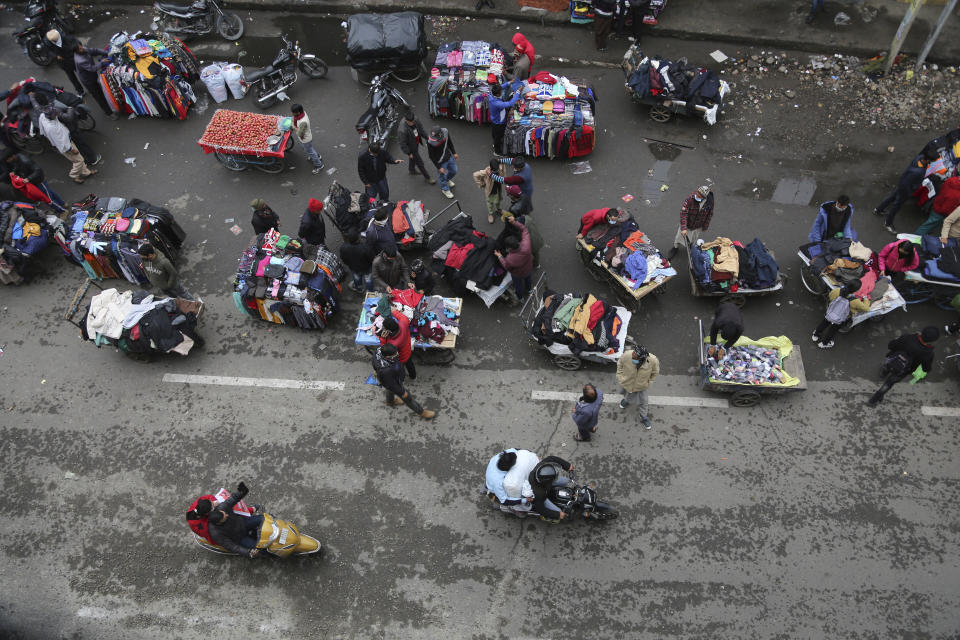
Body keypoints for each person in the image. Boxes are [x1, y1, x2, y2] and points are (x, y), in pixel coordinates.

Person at [867, 327, 939, 406]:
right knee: (888, 384)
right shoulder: (928, 353)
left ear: (922, 332)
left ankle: (883, 373)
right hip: (903, 370)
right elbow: (926, 368)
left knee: (887, 367)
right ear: (932, 341)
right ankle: (873, 400)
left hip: (892, 359)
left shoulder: (909, 337)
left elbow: (891, 345)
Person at [36, 103, 95, 184]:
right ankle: (74, 175)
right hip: (66, 146)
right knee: (79, 160)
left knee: (78, 158)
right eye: (54, 114)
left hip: (67, 140)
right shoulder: (51, 128)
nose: (56, 115)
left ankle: (86, 172)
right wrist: (71, 149)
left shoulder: (43, 116)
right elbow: (59, 142)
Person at [372, 344, 435, 419]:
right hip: (393, 381)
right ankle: (421, 412)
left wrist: (376, 370)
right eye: (395, 354)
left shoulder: (378, 351)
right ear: (387, 357)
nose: (397, 354)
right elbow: (392, 385)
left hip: (387, 380)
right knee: (408, 398)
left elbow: (373, 361)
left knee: (389, 390)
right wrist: (402, 392)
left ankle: (390, 402)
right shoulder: (386, 371)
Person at [207, 482, 264, 558]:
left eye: (225, 513)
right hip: (240, 538)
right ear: (219, 523)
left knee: (263, 518)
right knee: (261, 549)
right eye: (225, 517)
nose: (227, 515)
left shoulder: (222, 508)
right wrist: (248, 553)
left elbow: (233, 498)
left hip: (243, 523)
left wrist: (243, 491)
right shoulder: (216, 534)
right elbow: (233, 547)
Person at [874, 154, 928, 234]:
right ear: (928, 160)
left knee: (892, 197)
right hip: (905, 189)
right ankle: (888, 223)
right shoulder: (918, 171)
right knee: (896, 206)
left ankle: (879, 209)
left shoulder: (918, 159)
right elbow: (910, 184)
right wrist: (909, 192)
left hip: (901, 185)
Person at [812, 280, 867, 349]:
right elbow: (866, 309)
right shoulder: (855, 301)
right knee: (832, 331)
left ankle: (816, 334)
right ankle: (824, 343)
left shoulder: (837, 291)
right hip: (840, 319)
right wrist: (866, 299)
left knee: (824, 323)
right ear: (856, 290)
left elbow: (830, 296)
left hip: (830, 312)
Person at [666, 185, 713, 261]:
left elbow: (709, 214)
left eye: (699, 195)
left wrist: (705, 226)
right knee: (679, 237)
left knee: (694, 238)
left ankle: (691, 247)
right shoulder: (690, 199)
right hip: (688, 223)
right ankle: (675, 248)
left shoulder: (710, 201)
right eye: (697, 192)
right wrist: (684, 227)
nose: (697, 195)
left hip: (698, 225)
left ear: (704, 197)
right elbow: (683, 213)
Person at [616, 345, 659, 429]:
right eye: (633, 354)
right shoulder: (627, 355)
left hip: (642, 386)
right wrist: (620, 376)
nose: (633, 357)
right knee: (628, 393)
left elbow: (655, 372)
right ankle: (626, 400)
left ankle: (643, 417)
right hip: (628, 383)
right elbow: (620, 363)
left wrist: (648, 383)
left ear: (641, 358)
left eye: (635, 357)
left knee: (644, 401)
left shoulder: (653, 360)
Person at [494, 216, 533, 301]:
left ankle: (520, 297)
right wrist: (514, 222)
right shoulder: (526, 244)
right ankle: (530, 290)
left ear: (508, 247)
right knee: (528, 279)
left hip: (518, 274)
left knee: (518, 285)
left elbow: (507, 266)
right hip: (528, 268)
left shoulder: (510, 258)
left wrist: (500, 256)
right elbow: (524, 230)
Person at [73, 42, 116, 119]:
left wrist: (108, 53)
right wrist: (101, 62)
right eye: (79, 48)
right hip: (88, 81)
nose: (82, 48)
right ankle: (108, 113)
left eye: (81, 46)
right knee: (99, 96)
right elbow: (92, 68)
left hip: (92, 77)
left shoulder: (83, 50)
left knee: (100, 91)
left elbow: (95, 51)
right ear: (76, 51)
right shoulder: (80, 60)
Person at [527, 456, 574, 521]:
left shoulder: (541, 466)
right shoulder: (538, 493)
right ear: (547, 482)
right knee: (559, 512)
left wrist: (567, 465)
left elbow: (552, 458)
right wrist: (557, 514)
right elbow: (541, 509)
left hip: (545, 487)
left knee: (567, 481)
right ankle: (549, 518)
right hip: (543, 497)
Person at [397, 110, 435, 184]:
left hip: (416, 142)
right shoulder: (402, 130)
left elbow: (421, 129)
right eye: (410, 122)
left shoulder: (415, 119)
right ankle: (428, 178)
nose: (412, 123)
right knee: (420, 162)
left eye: (413, 121)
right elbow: (402, 144)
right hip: (411, 147)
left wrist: (428, 138)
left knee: (413, 158)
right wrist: (409, 153)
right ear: (406, 120)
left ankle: (411, 170)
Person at [44, 29, 84, 95]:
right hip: (63, 63)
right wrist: (56, 56)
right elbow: (48, 52)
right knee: (72, 77)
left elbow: (77, 42)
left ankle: (89, 86)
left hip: (72, 59)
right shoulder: (47, 42)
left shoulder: (65, 37)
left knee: (81, 74)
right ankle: (80, 91)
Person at [290, 103, 324, 174]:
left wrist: (293, 125)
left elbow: (299, 133)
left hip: (305, 139)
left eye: (293, 113)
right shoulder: (303, 113)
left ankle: (319, 165)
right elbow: (294, 120)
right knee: (309, 149)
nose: (292, 114)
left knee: (310, 151)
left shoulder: (303, 122)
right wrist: (293, 121)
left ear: (298, 112)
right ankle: (318, 156)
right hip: (306, 137)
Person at [488, 84, 522, 154]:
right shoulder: (497, 103)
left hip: (494, 120)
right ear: (497, 94)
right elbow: (510, 103)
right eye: (501, 91)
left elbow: (501, 87)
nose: (502, 92)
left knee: (495, 134)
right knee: (498, 136)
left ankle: (495, 143)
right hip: (499, 122)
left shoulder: (491, 95)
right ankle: (497, 152)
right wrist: (518, 92)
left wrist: (509, 83)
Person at [379, 314, 415, 379]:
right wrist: (394, 311)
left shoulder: (393, 343)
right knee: (410, 365)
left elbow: (385, 350)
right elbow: (402, 316)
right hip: (408, 350)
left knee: (400, 369)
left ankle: (401, 379)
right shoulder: (403, 323)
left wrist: (383, 339)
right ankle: (413, 377)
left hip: (401, 358)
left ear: (389, 330)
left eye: (383, 327)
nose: (382, 327)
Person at [427, 126, 458, 199]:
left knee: (454, 170)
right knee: (441, 176)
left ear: (440, 134)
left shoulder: (445, 132)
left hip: (448, 156)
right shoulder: (430, 142)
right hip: (440, 162)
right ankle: (445, 189)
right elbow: (431, 156)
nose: (434, 140)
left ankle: (447, 180)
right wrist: (439, 167)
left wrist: (454, 152)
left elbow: (449, 142)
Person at [473, 158, 503, 224]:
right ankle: (490, 213)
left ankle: (498, 209)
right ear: (491, 168)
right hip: (490, 190)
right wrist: (482, 184)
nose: (497, 171)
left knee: (498, 200)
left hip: (498, 188)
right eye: (495, 171)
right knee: (490, 202)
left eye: (497, 170)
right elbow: (475, 175)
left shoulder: (500, 167)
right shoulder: (485, 172)